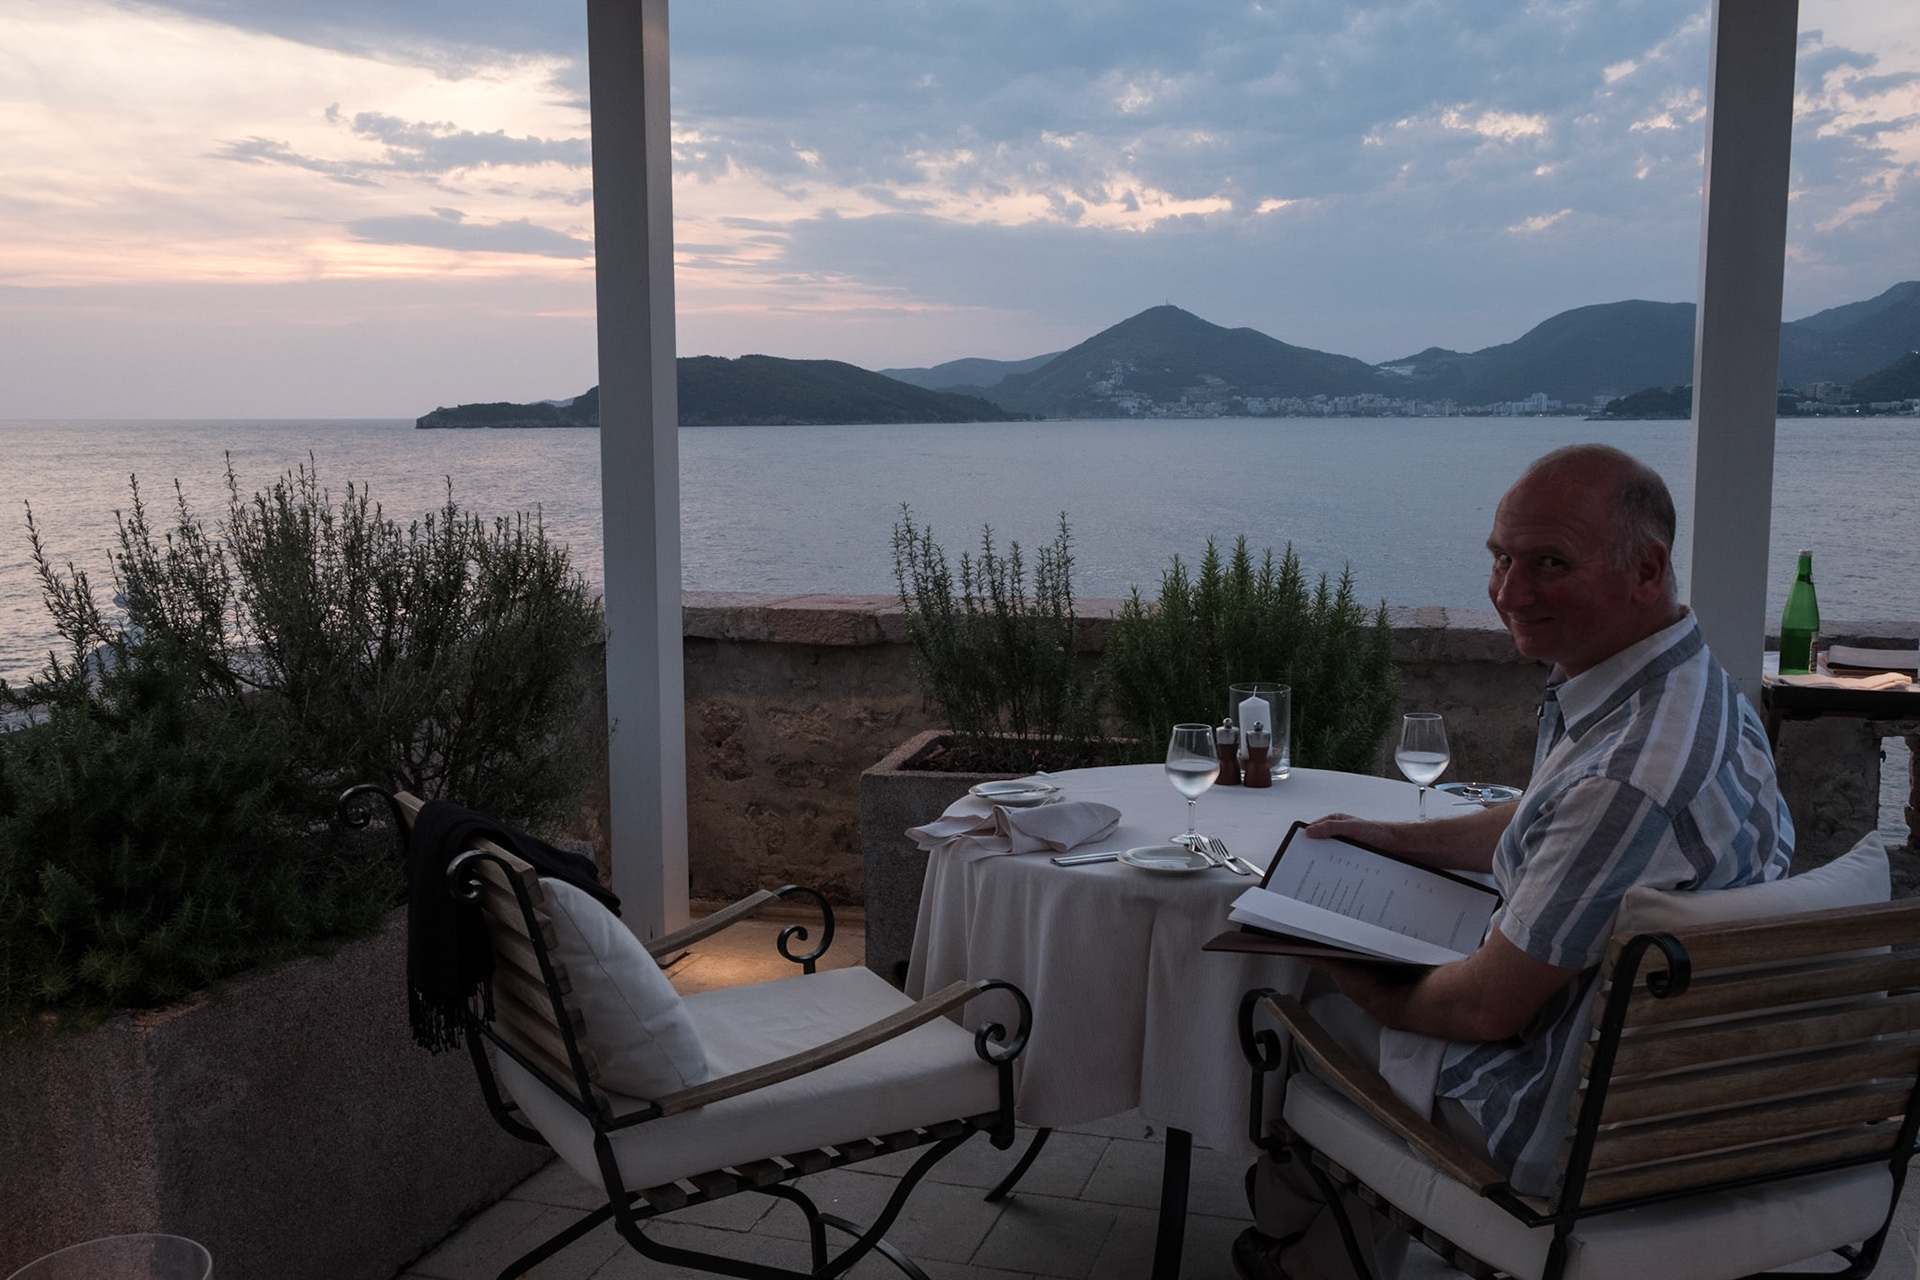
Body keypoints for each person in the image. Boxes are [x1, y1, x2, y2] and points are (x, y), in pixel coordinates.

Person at [1233, 443, 1794, 1280]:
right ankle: (1320, 1249)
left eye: (1549, 563)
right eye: (1500, 558)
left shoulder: (1627, 777)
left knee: (1297, 1010)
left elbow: (1483, 1010)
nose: (1508, 592)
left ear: (1647, 569)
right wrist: (1393, 840)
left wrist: (1334, 955)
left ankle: (1294, 1235)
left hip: (1563, 1117)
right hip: (1693, 1075)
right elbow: (1550, 821)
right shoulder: (1690, 690)